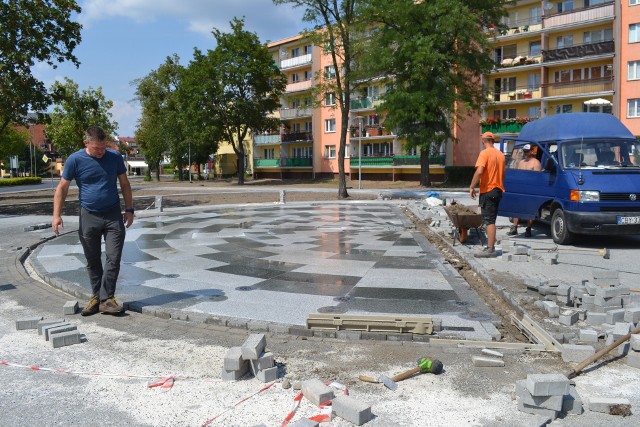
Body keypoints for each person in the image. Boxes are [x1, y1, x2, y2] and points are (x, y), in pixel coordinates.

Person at [52, 126, 134, 316]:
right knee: (92, 259)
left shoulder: (114, 158)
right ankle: (98, 297)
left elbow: (125, 184)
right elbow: (62, 188)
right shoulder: (75, 159)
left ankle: (107, 298)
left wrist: (129, 210)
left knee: (113, 257)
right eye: (97, 148)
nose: (101, 152)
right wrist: (56, 215)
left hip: (113, 215)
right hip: (88, 215)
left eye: (103, 147)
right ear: (86, 143)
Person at [469, 132, 506, 258]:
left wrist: (472, 186)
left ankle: (490, 249)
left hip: (488, 190)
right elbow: (503, 175)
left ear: (484, 140)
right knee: (492, 219)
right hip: (498, 189)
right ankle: (490, 247)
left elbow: (479, 172)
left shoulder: (484, 153)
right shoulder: (501, 155)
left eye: (482, 140)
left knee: (489, 221)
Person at [507, 144, 542, 237]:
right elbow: (518, 175)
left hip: (531, 189)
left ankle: (528, 228)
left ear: (531, 151)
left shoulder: (536, 163)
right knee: (517, 209)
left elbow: (538, 178)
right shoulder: (521, 162)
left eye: (527, 151)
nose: (525, 153)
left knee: (530, 210)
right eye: (524, 151)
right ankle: (514, 227)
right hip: (520, 189)